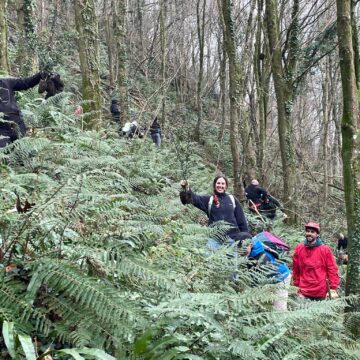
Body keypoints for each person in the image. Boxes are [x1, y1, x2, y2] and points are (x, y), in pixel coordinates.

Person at [179, 175, 251, 251]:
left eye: (223, 184)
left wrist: (246, 240)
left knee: (232, 261)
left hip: (232, 238)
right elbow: (195, 198)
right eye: (218, 183)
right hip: (214, 238)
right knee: (209, 259)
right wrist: (186, 189)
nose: (220, 185)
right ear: (214, 185)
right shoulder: (209, 200)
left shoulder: (232, 199)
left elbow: (241, 220)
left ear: (226, 186)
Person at [292, 222, 339, 300]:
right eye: (308, 231)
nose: (309, 233)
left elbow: (332, 269)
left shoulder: (325, 250)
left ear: (317, 235)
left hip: (320, 290)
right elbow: (296, 269)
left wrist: (333, 287)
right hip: (303, 290)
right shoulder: (299, 248)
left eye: (312, 232)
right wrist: (296, 286)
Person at [0, 72, 45, 147]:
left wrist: (39, 75)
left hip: (17, 124)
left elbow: (25, 83)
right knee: (5, 152)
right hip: (2, 129)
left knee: (23, 152)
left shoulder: (7, 82)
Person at [245, 238, 291, 311]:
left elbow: (259, 278)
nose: (242, 251)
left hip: (282, 277)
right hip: (268, 278)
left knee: (279, 308)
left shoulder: (262, 256)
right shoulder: (250, 252)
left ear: (250, 244)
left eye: (245, 247)